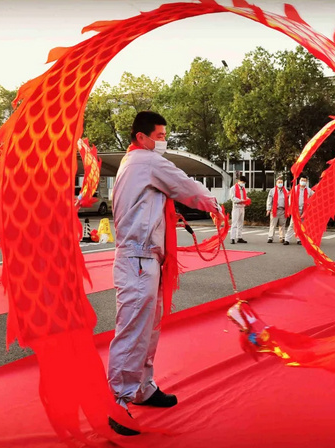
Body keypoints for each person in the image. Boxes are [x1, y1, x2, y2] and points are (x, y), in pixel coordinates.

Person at [108, 111, 221, 436]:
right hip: (138, 257)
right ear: (141, 137)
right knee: (133, 329)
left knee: (148, 327)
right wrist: (214, 204)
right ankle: (116, 402)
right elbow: (184, 185)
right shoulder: (146, 161)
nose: (163, 142)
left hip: (146, 257)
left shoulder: (134, 162)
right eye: (159, 136)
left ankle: (142, 388)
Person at [284, 175, 313, 245]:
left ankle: (299, 239)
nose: (303, 182)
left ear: (306, 182)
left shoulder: (309, 190)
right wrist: (291, 208)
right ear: (299, 181)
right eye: (302, 180)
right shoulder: (295, 189)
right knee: (292, 225)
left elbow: (314, 196)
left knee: (301, 226)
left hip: (304, 211)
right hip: (295, 210)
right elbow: (290, 199)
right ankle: (287, 239)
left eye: (304, 181)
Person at [266, 176, 288, 243]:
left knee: (282, 224)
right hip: (275, 210)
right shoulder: (272, 191)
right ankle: (270, 237)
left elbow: (289, 200)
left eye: (281, 182)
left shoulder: (286, 191)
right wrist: (268, 209)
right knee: (273, 224)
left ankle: (282, 237)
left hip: (283, 210)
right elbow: (269, 200)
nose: (280, 183)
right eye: (279, 182)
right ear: (276, 183)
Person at [229, 175, 250, 244]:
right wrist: (241, 200)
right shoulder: (233, 188)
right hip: (236, 207)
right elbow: (233, 198)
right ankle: (232, 238)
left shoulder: (243, 189)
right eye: (242, 182)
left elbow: (245, 196)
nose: (243, 183)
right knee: (234, 223)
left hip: (242, 207)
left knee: (240, 223)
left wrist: (247, 199)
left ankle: (239, 237)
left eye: (244, 182)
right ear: (239, 181)